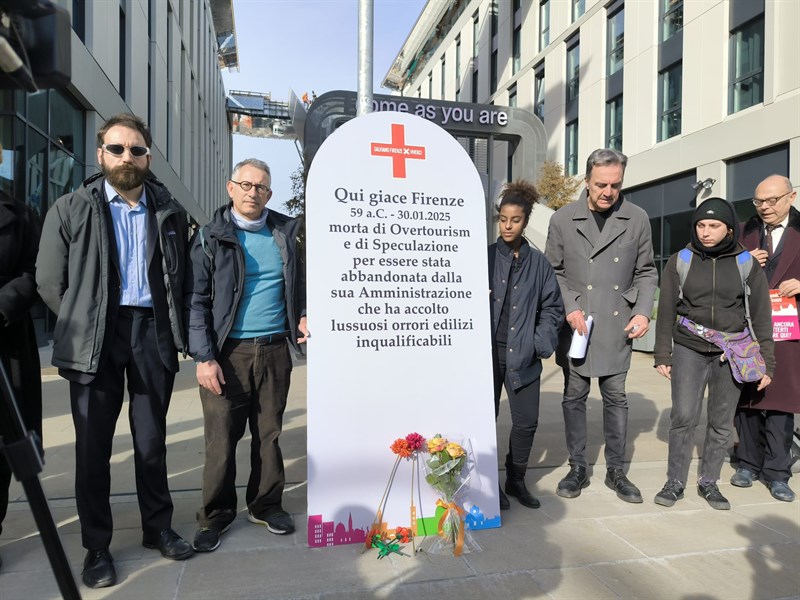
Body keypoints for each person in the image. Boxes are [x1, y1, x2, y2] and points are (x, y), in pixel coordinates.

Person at [36, 114, 193, 589]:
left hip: (151, 332)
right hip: (95, 338)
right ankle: (97, 547)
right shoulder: (70, 208)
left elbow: (181, 278)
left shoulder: (168, 211)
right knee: (93, 447)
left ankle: (157, 527)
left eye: (137, 150)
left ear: (148, 157)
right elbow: (49, 280)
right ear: (100, 153)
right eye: (118, 149)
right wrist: (83, 319)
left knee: (151, 441)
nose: (128, 157)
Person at [185, 158, 307, 553]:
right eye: (246, 185)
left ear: (269, 194)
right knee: (221, 441)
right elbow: (195, 301)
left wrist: (303, 313)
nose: (253, 192)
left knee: (269, 436)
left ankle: (265, 505)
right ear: (230, 188)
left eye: (261, 187)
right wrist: (204, 357)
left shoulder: (285, 234)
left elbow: (298, 284)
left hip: (274, 350)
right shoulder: (210, 238)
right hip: (228, 355)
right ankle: (215, 516)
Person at [545, 148, 657, 503]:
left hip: (616, 322)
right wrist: (570, 308)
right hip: (577, 325)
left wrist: (642, 312)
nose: (608, 192)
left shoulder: (637, 217)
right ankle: (577, 467)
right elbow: (553, 272)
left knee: (616, 398)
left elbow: (646, 271)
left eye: (615, 185)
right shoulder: (562, 219)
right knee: (574, 396)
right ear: (587, 181)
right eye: (601, 185)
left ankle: (616, 471)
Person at [654, 197, 774, 510]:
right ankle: (675, 481)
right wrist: (663, 353)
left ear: (729, 228)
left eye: (714, 225)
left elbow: (762, 315)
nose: (706, 232)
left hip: (731, 352)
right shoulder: (680, 260)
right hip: (688, 348)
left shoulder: (746, 263)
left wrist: (767, 363)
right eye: (701, 225)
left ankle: (709, 482)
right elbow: (665, 310)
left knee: (721, 422)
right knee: (683, 416)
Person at [489, 181, 564, 510]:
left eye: (515, 220)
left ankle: (516, 479)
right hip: (488, 355)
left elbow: (553, 307)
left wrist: (538, 343)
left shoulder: (539, 263)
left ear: (525, 221)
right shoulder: (485, 257)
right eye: (503, 219)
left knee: (526, 421)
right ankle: (488, 483)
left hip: (524, 354)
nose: (507, 226)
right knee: (485, 418)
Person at [733, 175, 799, 502]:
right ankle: (747, 463)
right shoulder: (742, 232)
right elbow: (719, 272)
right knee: (747, 398)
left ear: (791, 197)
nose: (764, 207)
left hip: (788, 330)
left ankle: (777, 473)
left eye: (772, 200)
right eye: (759, 201)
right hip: (747, 328)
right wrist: (743, 264)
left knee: (781, 402)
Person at [0, 187, 42, 573]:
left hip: (6, 341)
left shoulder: (21, 213)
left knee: (4, 444)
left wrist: (2, 306)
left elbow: (34, 272)